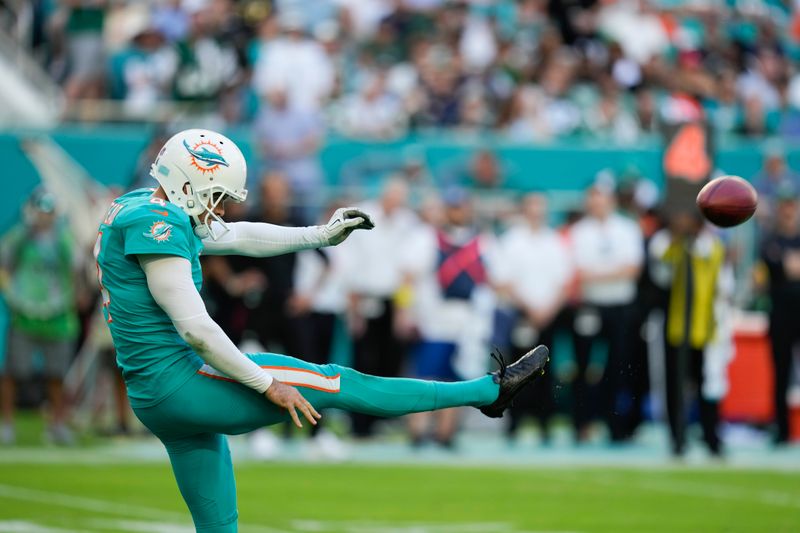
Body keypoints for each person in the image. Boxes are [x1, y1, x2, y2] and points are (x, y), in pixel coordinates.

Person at [93, 128, 549, 531]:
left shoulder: (139, 206)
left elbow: (236, 236)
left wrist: (319, 235)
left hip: (156, 391)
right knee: (339, 381)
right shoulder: (157, 224)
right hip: (183, 382)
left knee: (218, 526)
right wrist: (267, 383)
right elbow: (196, 330)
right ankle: (490, 392)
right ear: (189, 184)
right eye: (215, 195)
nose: (220, 209)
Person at [0, 189, 81, 445]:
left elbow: (76, 270)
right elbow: (4, 266)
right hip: (25, 314)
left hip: (58, 315)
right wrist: (12, 295)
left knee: (57, 374)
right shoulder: (20, 237)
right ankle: (7, 425)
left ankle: (57, 424)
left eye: (49, 212)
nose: (44, 217)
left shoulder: (64, 239)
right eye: (41, 211)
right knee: (15, 371)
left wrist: (74, 296)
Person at [492, 193, 572, 443]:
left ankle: (545, 422)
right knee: (515, 370)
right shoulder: (511, 240)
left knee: (546, 370)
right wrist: (529, 308)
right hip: (521, 314)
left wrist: (547, 310)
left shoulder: (554, 241)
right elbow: (503, 280)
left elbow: (564, 281)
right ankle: (514, 423)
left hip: (549, 314)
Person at [570, 180, 644, 442]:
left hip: (620, 307)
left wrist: (597, 274)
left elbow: (633, 269)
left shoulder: (627, 229)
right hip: (591, 306)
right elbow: (579, 271)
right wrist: (614, 272)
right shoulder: (579, 232)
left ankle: (615, 425)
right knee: (584, 365)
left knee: (618, 366)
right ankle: (582, 424)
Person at [649, 210, 727, 457]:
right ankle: (677, 438)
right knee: (675, 385)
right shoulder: (668, 242)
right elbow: (661, 266)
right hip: (677, 327)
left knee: (709, 384)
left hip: (706, 327)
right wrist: (678, 238)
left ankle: (711, 436)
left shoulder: (711, 245)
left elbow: (721, 283)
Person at [759, 183, 800, 445]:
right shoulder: (770, 240)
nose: (787, 210)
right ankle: (781, 429)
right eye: (783, 205)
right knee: (780, 372)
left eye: (791, 204)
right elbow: (780, 269)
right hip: (781, 314)